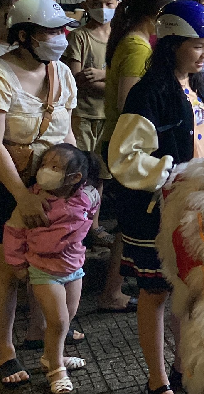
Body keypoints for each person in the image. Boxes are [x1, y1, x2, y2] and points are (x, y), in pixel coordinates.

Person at [108, 0, 204, 394]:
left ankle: (181, 369)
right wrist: (170, 173)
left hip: (191, 209)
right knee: (155, 293)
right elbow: (122, 158)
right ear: (172, 43)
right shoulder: (149, 92)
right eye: (197, 45)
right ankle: (158, 382)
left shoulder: (194, 83)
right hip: (152, 213)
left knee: (188, 292)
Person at [0, 0, 79, 387]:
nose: (61, 37)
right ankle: (3, 348)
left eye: (63, 29)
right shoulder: (2, 74)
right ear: (24, 35)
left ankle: (46, 344)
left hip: (49, 184)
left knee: (47, 261)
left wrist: (81, 183)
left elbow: (66, 133)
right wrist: (21, 195)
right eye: (51, 31)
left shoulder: (62, 73)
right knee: (7, 270)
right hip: (8, 185)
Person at [98, 0, 175, 314]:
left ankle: (113, 288)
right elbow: (130, 100)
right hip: (125, 147)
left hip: (118, 142)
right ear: (157, 14)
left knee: (126, 227)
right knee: (130, 226)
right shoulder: (138, 47)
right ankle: (112, 290)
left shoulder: (135, 41)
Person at [3, 143, 99, 393]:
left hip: (74, 267)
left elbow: (93, 207)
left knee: (69, 315)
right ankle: (56, 370)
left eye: (54, 167)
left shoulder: (86, 196)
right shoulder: (35, 200)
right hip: (43, 271)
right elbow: (13, 231)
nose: (45, 170)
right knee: (57, 321)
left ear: (75, 178)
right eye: (44, 164)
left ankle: (50, 356)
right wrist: (18, 264)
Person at [63, 0, 118, 248]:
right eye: (97, 3)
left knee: (101, 175)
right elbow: (76, 78)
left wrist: (101, 75)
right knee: (80, 173)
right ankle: (75, 225)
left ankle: (93, 226)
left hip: (108, 117)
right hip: (83, 116)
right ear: (86, 4)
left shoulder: (120, 36)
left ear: (118, 2)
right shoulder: (79, 37)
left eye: (108, 2)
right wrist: (112, 80)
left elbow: (122, 78)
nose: (103, 8)